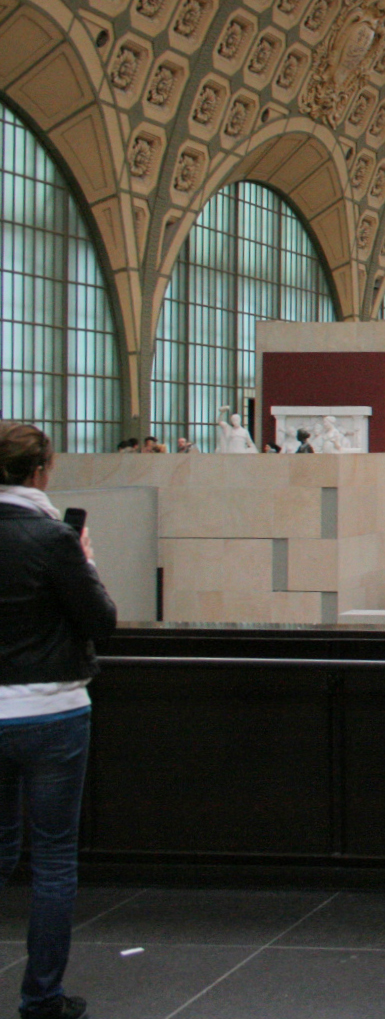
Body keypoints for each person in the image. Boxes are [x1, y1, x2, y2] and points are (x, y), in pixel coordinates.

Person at [0, 423, 119, 1019]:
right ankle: (41, 997)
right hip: (51, 712)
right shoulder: (53, 539)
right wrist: (85, 562)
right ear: (41, 471)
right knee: (51, 859)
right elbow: (100, 621)